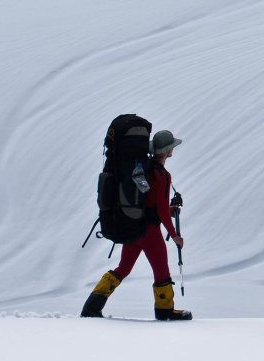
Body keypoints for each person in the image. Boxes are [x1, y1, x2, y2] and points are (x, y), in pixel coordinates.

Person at [81, 129, 192, 320]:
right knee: (161, 271)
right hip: (150, 232)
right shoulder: (162, 176)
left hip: (132, 227)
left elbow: (148, 201)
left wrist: (170, 210)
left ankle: (91, 306)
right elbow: (160, 211)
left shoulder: (142, 170)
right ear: (167, 151)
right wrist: (174, 235)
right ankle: (165, 310)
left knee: (123, 269)